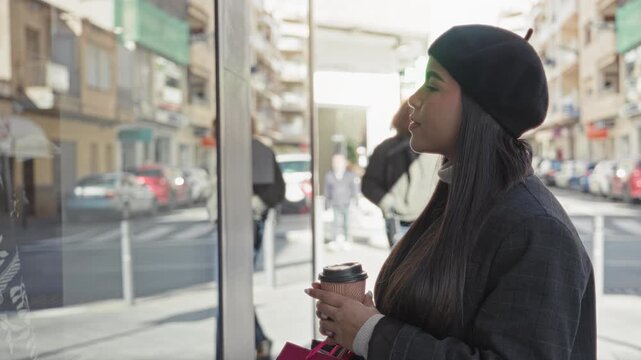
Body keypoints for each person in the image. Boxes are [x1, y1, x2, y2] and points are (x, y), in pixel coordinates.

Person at [305, 25, 596, 359]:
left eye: (432, 85)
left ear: (480, 106)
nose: (414, 99)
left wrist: (372, 334)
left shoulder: (537, 230)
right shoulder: (458, 196)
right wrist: (363, 320)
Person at [362, 101, 439, 247]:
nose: (414, 117)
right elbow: (368, 183)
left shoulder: (435, 147)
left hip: (429, 220)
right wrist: (388, 202)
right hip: (398, 221)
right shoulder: (386, 149)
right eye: (409, 114)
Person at [251, 136, 285, 360]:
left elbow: (276, 190)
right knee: (232, 293)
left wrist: (252, 206)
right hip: (230, 225)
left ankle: (259, 341)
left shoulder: (256, 150)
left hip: (246, 224)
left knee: (234, 291)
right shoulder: (229, 149)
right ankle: (258, 340)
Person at [324, 153, 359, 250]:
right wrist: (326, 205)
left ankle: (347, 239)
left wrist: (355, 201)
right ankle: (334, 240)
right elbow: (327, 191)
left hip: (346, 202)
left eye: (339, 162)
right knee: (335, 223)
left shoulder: (350, 175)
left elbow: (354, 189)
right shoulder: (329, 176)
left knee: (346, 223)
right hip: (335, 203)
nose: (337, 164)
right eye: (335, 162)